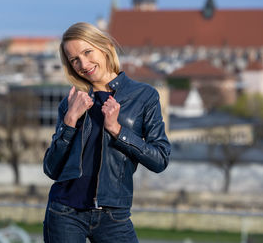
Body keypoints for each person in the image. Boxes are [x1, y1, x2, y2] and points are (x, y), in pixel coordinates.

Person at [43, 22, 171, 243]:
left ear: (104, 47)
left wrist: (117, 130)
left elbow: (160, 159)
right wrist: (70, 120)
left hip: (114, 215)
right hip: (64, 212)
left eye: (87, 52)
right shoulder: (71, 102)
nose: (83, 64)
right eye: (74, 60)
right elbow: (51, 168)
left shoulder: (144, 96)